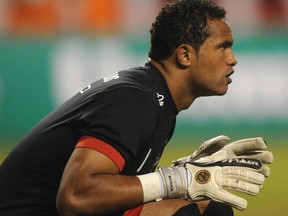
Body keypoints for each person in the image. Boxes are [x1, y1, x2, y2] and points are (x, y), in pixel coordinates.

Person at [0, 0, 273, 215]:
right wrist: (175, 180)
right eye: (223, 47)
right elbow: (76, 196)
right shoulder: (135, 99)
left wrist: (186, 174)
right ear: (185, 55)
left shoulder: (153, 96)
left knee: (208, 206)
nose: (233, 59)